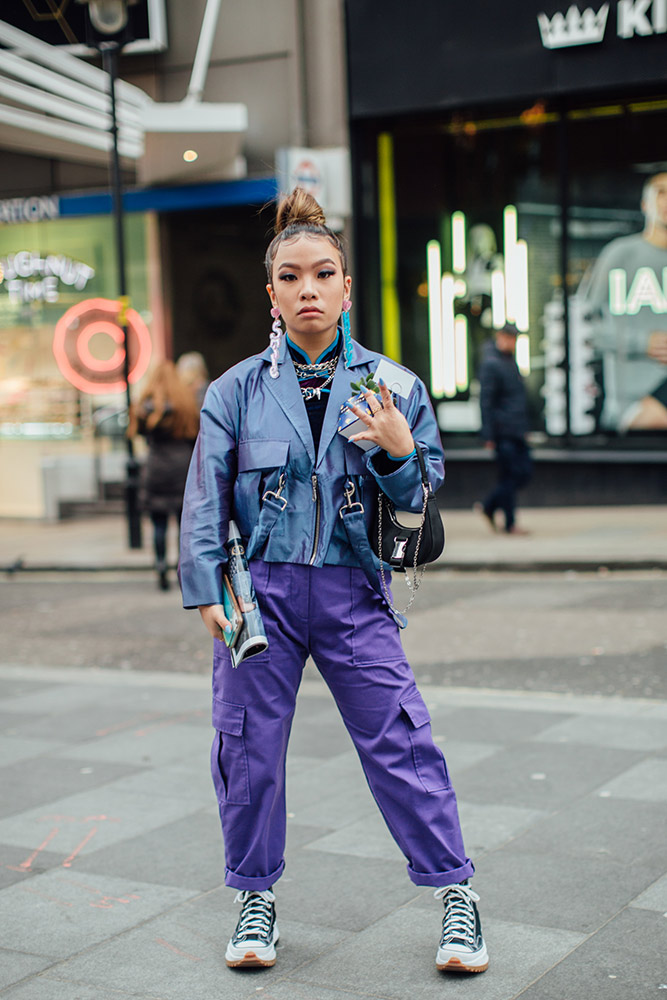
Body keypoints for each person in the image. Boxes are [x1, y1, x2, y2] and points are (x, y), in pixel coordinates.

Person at [179, 188, 488, 975]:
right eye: (291, 276)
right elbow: (206, 500)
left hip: (355, 592)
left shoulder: (395, 387)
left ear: (347, 287)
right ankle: (254, 896)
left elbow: (419, 502)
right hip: (261, 595)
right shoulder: (234, 391)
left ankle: (455, 894)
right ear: (272, 292)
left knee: (401, 741)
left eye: (323, 274)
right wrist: (207, 588)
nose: (308, 289)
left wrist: (394, 450)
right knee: (245, 748)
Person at [578, 172, 667, 431]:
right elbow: (586, 328)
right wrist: (642, 342)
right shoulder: (619, 255)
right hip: (631, 407)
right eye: (660, 193)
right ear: (644, 204)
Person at [129, 360, 200, 590]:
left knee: (158, 523)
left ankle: (160, 564)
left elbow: (138, 433)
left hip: (156, 467)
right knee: (183, 525)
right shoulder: (186, 403)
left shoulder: (145, 406)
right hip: (182, 467)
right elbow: (195, 434)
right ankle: (182, 569)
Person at [476, 323, 532, 534]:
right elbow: (486, 401)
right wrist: (488, 434)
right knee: (510, 476)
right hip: (503, 431)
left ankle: (489, 506)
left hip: (517, 429)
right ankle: (509, 523)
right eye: (509, 337)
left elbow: (517, 398)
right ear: (500, 337)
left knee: (522, 473)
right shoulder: (491, 363)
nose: (512, 342)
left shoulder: (510, 361)